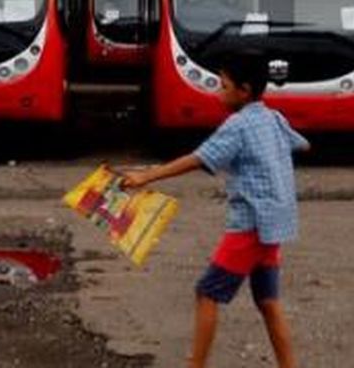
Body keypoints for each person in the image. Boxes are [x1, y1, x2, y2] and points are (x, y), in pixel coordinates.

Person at [118, 51, 309, 368]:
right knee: (268, 301)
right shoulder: (273, 118)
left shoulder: (238, 125)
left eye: (223, 86)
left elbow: (198, 158)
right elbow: (302, 143)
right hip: (274, 224)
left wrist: (146, 176)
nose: (217, 92)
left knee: (207, 292)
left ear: (244, 90)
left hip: (250, 226)